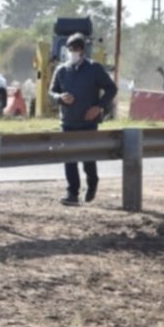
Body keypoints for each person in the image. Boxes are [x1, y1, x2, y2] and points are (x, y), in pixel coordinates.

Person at [49, 32, 117, 206]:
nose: (73, 52)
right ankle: (72, 193)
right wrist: (59, 97)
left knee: (88, 158)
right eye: (70, 48)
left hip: (88, 123)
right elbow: (52, 92)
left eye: (76, 48)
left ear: (83, 50)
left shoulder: (94, 68)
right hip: (68, 122)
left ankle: (92, 183)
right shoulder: (62, 70)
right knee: (69, 158)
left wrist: (99, 107)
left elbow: (111, 89)